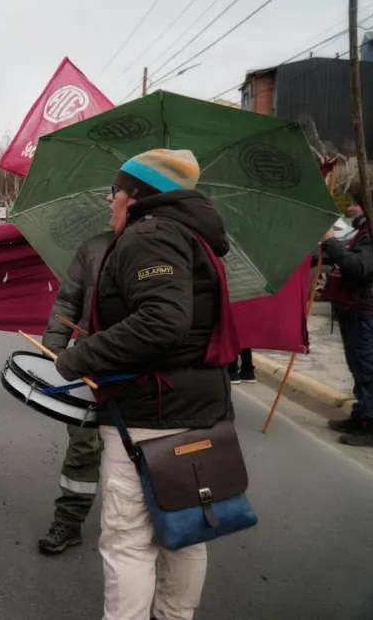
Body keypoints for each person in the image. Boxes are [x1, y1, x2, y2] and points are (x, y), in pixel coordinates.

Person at [54, 149, 237, 620]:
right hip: (197, 407)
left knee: (130, 541)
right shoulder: (191, 233)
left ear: (135, 195)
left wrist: (78, 357)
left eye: (113, 191)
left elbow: (162, 321)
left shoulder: (151, 234)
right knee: (187, 529)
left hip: (152, 414)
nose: (109, 201)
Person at [38, 229, 115, 554]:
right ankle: (68, 521)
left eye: (116, 200)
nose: (110, 203)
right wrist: (53, 352)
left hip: (141, 372)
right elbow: (68, 301)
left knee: (141, 454)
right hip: (89, 362)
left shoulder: (169, 249)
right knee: (84, 444)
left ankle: (142, 525)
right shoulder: (94, 247)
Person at [320, 190, 373, 447]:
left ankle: (371, 423)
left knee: (367, 370)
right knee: (358, 369)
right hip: (352, 312)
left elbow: (358, 268)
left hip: (364, 313)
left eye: (356, 204)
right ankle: (361, 415)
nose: (350, 208)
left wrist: (331, 242)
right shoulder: (361, 232)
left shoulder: (370, 236)